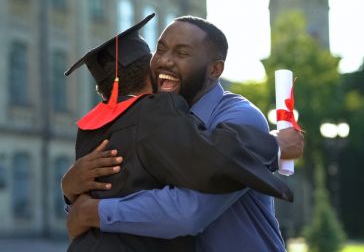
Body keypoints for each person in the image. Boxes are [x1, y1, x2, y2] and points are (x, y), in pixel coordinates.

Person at [63, 15, 304, 252]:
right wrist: (71, 191)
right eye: (160, 50)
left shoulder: (239, 117)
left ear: (215, 69)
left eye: (182, 53)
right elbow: (121, 188)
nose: (164, 61)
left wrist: (92, 212)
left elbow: (189, 211)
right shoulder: (149, 123)